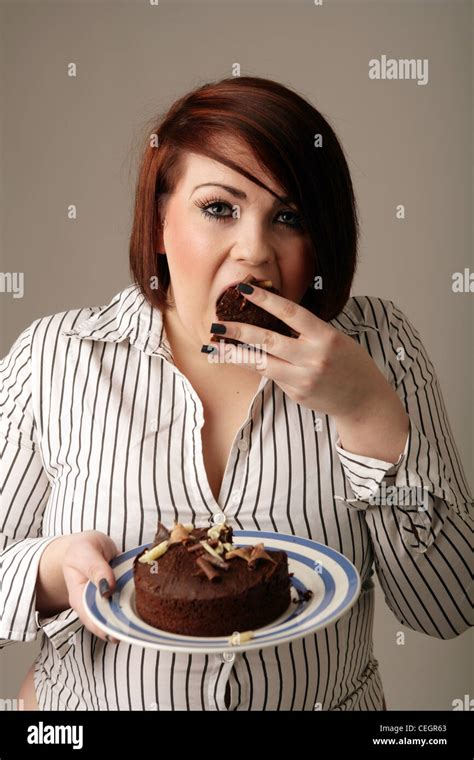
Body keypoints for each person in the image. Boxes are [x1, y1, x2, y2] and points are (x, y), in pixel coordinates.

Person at [1, 76, 472, 712]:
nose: (255, 253)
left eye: (288, 218)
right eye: (219, 207)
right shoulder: (56, 356)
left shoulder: (381, 349)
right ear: (161, 220)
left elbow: (446, 608)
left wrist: (368, 412)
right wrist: (50, 571)